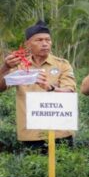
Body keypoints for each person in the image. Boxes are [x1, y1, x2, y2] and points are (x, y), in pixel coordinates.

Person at [0, 20, 76, 149]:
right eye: (39, 40)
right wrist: (5, 68)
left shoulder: (62, 64)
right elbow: (1, 88)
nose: (45, 44)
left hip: (60, 132)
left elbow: (70, 91)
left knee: (63, 167)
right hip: (31, 133)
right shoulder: (19, 66)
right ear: (28, 44)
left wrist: (51, 88)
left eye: (48, 40)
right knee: (33, 168)